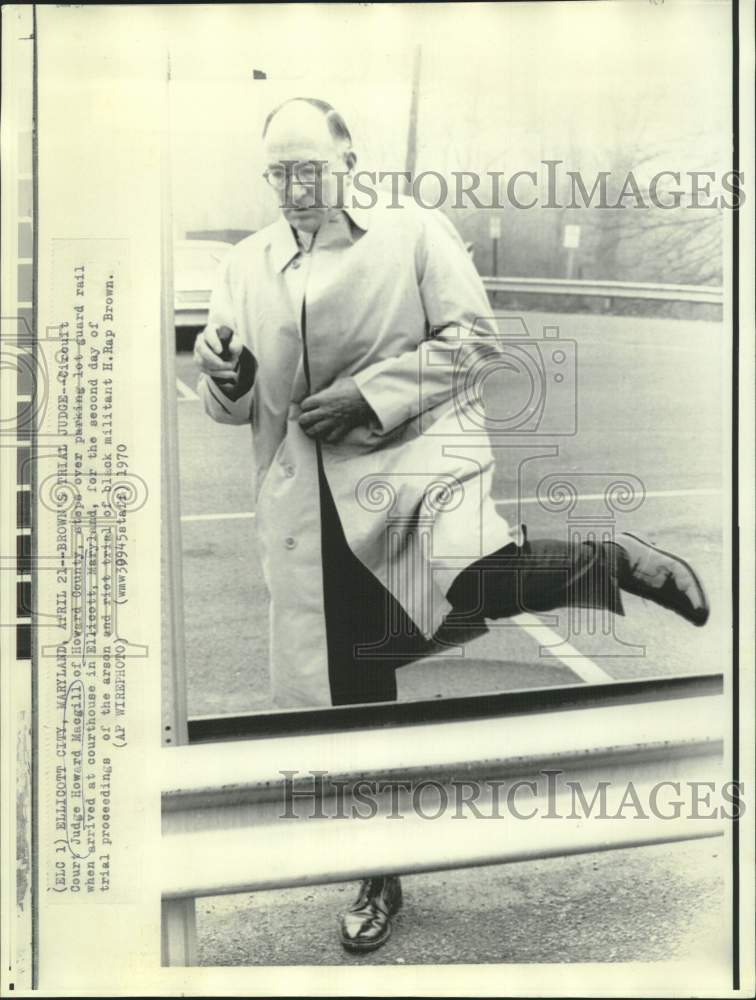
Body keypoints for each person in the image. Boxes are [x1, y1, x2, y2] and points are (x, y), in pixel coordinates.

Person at [194, 97, 709, 954]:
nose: (294, 188)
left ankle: (615, 562)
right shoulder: (248, 265)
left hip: (417, 465)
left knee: (475, 579)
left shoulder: (410, 231)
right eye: (278, 172)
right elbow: (230, 403)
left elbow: (476, 340)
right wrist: (227, 371)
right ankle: (379, 869)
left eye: (309, 168)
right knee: (355, 691)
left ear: (348, 159)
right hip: (307, 505)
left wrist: (371, 395)